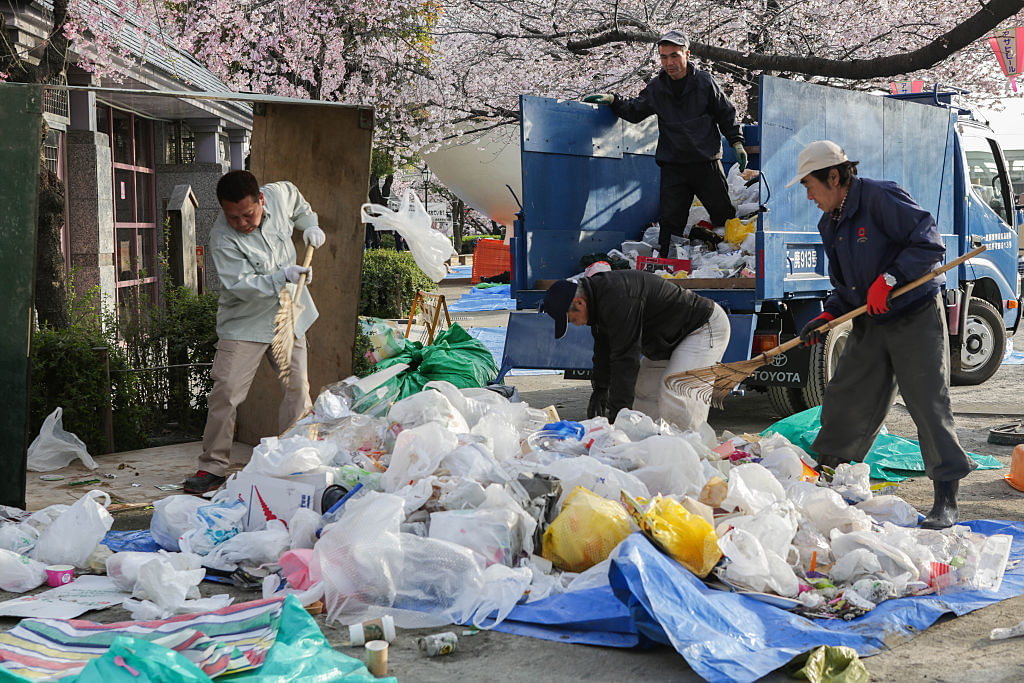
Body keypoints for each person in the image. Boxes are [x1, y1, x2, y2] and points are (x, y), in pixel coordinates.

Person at [789, 140, 976, 529]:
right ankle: (830, 479)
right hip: (871, 320)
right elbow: (845, 288)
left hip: (914, 314)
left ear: (834, 176)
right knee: (846, 396)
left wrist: (890, 278)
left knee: (927, 402)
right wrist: (826, 315)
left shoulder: (880, 197)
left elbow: (929, 242)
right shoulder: (830, 224)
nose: (809, 196)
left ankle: (946, 498)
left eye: (810, 185)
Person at [183, 170, 325, 494]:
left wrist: (310, 224)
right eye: (234, 217)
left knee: (298, 389)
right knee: (227, 392)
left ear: (261, 199)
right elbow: (240, 286)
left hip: (289, 313)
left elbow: (300, 205)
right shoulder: (222, 238)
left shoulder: (279, 193)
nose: (243, 223)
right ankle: (212, 468)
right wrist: (282, 275)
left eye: (248, 214)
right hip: (244, 322)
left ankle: (292, 459)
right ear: (223, 211)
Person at [584, 30, 746, 259]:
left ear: (687, 55)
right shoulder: (657, 87)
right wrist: (614, 100)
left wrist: (736, 142)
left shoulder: (704, 82)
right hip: (674, 166)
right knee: (670, 225)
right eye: (663, 57)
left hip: (705, 163)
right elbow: (635, 110)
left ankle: (734, 258)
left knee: (723, 215)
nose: (669, 63)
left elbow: (726, 113)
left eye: (674, 56)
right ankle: (670, 267)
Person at [541, 270, 730, 431]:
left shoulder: (618, 297)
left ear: (580, 303)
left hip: (702, 328)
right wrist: (600, 389)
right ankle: (651, 450)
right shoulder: (597, 300)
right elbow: (603, 350)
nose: (575, 324)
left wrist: (617, 420)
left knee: (677, 392)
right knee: (644, 393)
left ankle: (690, 454)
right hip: (668, 339)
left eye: (571, 318)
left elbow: (625, 360)